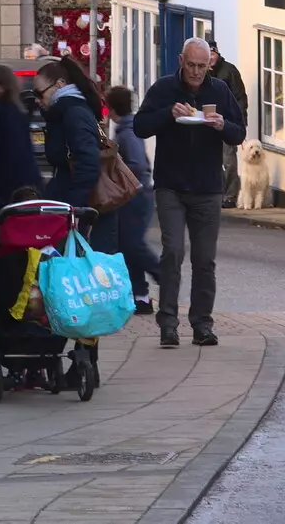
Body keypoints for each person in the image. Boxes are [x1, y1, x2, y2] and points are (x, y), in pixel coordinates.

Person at [134, 37, 245, 347]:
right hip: (171, 185)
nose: (197, 72)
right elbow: (140, 126)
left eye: (202, 65)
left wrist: (223, 125)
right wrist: (168, 114)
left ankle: (202, 324)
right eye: (192, 65)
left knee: (204, 260)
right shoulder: (164, 89)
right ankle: (168, 323)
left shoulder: (219, 91)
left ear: (209, 63)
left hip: (208, 186)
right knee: (173, 253)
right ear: (181, 61)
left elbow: (240, 132)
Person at [35, 56, 118, 255]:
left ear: (60, 85)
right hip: (76, 206)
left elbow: (88, 164)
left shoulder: (73, 113)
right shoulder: (66, 111)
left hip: (82, 210)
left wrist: (75, 211)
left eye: (40, 93)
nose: (38, 100)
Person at [105, 85, 160, 315]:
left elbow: (137, 164)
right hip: (133, 195)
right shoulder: (125, 129)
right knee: (127, 246)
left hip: (136, 195)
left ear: (112, 108)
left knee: (133, 245)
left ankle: (163, 274)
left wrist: (117, 176)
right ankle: (141, 297)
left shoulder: (127, 132)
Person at [0, 64, 42, 235]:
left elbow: (14, 157)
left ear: (1, 86)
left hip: (6, 196)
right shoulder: (5, 112)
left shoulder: (5, 115)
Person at [207, 39, 249, 208]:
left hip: (227, 123)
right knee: (212, 160)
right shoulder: (201, 72)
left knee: (228, 160)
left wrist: (239, 122)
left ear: (217, 54)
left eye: (213, 54)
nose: (210, 58)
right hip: (208, 122)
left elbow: (240, 97)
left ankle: (231, 195)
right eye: (208, 54)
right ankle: (218, 192)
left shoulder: (229, 71)